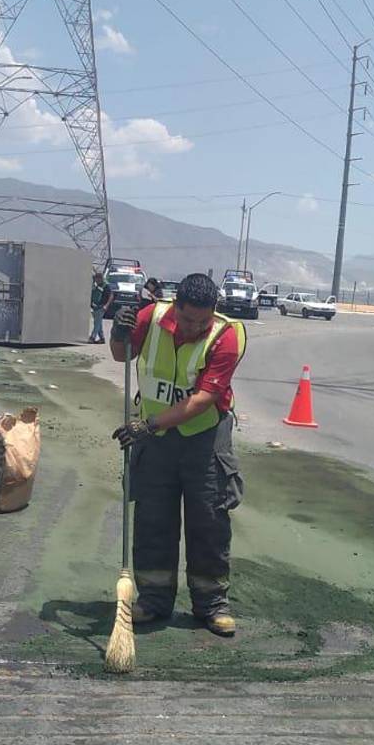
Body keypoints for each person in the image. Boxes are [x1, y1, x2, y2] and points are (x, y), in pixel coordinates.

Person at [109, 272, 247, 636]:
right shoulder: (150, 318)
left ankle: (211, 604)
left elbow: (203, 400)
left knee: (209, 521)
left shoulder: (226, 335)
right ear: (176, 306)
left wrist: (149, 425)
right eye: (187, 319)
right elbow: (122, 355)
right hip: (156, 443)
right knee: (153, 520)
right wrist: (117, 332)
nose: (194, 327)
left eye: (202, 320)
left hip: (203, 437)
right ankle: (153, 599)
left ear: (213, 312)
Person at [89, 269, 113, 343]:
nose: (97, 279)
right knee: (98, 322)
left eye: (99, 277)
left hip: (102, 306)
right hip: (95, 307)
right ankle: (102, 338)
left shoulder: (106, 286)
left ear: (101, 278)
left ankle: (92, 337)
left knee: (97, 323)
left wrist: (106, 305)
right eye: (96, 278)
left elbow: (111, 296)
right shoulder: (95, 285)